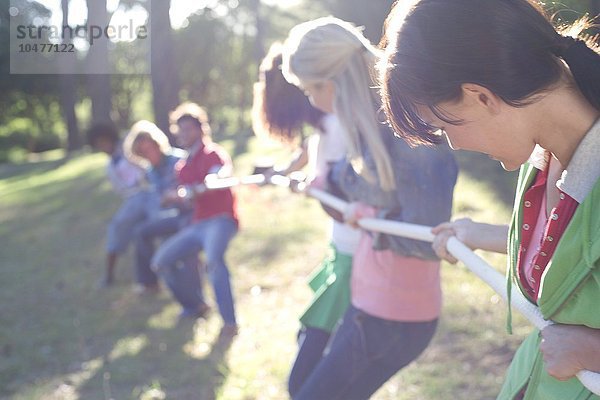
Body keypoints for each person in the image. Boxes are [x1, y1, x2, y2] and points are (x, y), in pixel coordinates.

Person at [377, 1, 600, 399]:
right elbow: (575, 253)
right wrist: (479, 234)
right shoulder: (543, 154)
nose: (455, 144)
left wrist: (592, 350)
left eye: (444, 125)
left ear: (479, 96)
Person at [281, 17, 458, 399]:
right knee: (300, 386)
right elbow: (382, 198)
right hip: (370, 299)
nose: (311, 101)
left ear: (335, 82)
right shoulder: (369, 131)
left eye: (311, 89)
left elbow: (424, 239)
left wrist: (369, 218)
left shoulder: (412, 137)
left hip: (395, 315)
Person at [252, 42, 361, 396]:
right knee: (311, 345)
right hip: (340, 247)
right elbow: (309, 152)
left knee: (303, 379)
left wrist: (316, 188)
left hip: (354, 253)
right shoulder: (326, 124)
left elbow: (342, 200)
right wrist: (284, 173)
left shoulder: (338, 123)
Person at [151, 103, 239, 335]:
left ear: (200, 129)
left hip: (220, 220)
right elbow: (186, 197)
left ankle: (229, 322)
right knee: (161, 261)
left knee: (213, 262)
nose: (184, 134)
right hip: (198, 224)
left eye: (189, 129)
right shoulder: (182, 166)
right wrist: (175, 197)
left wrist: (209, 182)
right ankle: (195, 305)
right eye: (180, 130)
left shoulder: (213, 153)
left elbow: (220, 172)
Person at [122, 120, 193, 294]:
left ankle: (188, 292)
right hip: (172, 215)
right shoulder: (151, 171)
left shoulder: (179, 159)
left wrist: (176, 196)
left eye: (149, 149)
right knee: (141, 232)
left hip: (191, 214)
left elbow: (192, 188)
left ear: (157, 144)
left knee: (171, 244)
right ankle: (149, 283)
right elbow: (158, 199)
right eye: (142, 153)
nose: (148, 155)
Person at [87, 122, 155, 287]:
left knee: (124, 228)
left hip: (148, 193)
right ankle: (114, 276)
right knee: (126, 230)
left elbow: (145, 166)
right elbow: (121, 188)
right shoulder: (110, 165)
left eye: (103, 141)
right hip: (133, 199)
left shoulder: (127, 147)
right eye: (98, 145)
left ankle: (147, 278)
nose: (102, 147)